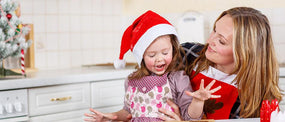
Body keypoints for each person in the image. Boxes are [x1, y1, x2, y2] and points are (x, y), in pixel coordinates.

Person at [84, 10, 221, 122]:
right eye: (152, 55)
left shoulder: (177, 78)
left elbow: (190, 117)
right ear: (141, 56)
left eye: (165, 52)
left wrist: (197, 101)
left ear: (173, 49)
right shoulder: (131, 80)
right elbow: (127, 112)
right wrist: (109, 117)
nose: (159, 59)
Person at [159, 7, 283, 120]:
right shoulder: (187, 54)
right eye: (214, 30)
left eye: (221, 41)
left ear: (243, 53)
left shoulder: (252, 98)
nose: (209, 41)